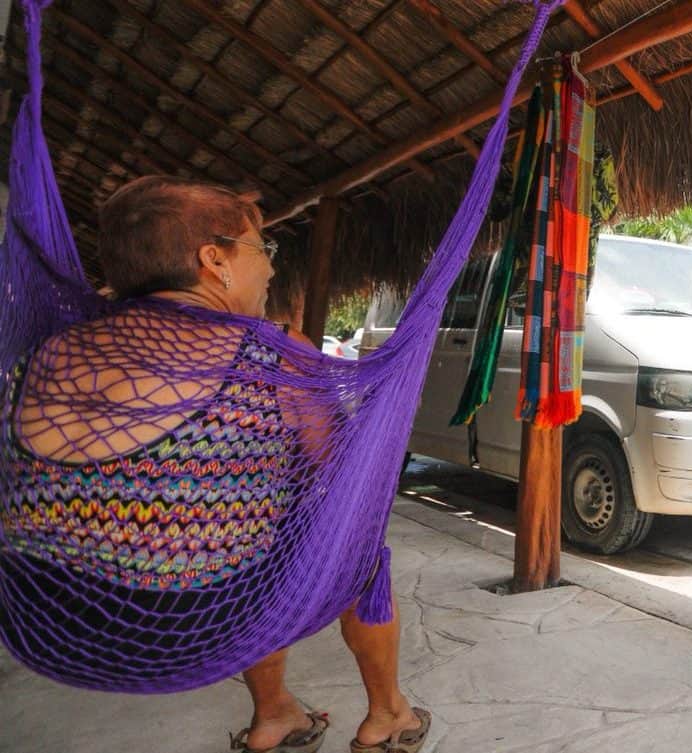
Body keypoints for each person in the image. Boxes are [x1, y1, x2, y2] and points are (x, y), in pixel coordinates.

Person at [0, 177, 430, 753]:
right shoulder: (272, 351)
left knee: (254, 524)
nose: (272, 270)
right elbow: (349, 475)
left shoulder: (40, 352)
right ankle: (388, 716)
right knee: (345, 542)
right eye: (262, 250)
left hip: (45, 621)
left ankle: (276, 714)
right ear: (214, 260)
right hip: (195, 621)